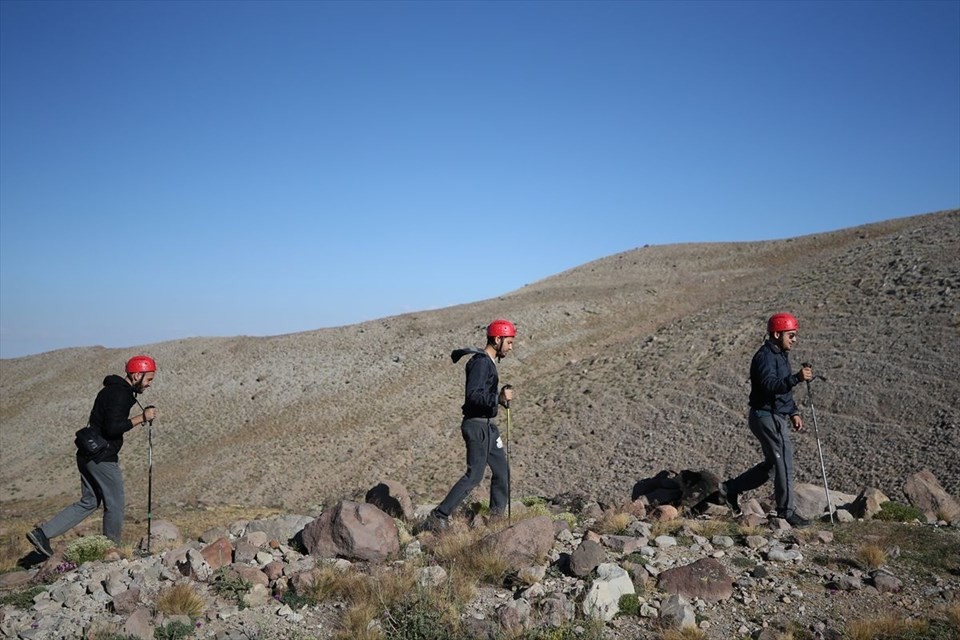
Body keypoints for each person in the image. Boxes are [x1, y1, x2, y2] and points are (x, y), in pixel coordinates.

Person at [27, 356, 158, 556]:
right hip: (102, 457)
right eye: (148, 379)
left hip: (87, 455)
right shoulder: (120, 394)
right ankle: (110, 550)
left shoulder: (111, 390)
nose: (149, 384)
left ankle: (43, 533)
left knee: (89, 502)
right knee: (115, 503)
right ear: (136, 375)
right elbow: (112, 428)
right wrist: (142, 418)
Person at [719, 313, 813, 527]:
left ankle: (730, 489)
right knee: (784, 463)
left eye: (795, 335)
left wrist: (793, 412)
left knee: (772, 466)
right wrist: (797, 378)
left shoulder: (779, 354)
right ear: (777, 333)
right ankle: (786, 512)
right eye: (791, 335)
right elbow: (770, 385)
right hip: (766, 416)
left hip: (773, 415)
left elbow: (782, 391)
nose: (794, 339)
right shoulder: (765, 357)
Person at [423, 319, 516, 532]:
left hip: (488, 427)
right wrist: (498, 398)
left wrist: (497, 396)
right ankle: (439, 516)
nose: (511, 347)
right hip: (477, 427)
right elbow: (473, 396)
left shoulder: (488, 363)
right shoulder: (481, 363)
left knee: (502, 471)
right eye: (509, 342)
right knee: (474, 475)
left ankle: (496, 520)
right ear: (497, 339)